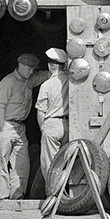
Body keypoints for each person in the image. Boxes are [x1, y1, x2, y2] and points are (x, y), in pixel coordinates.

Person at [0, 53, 48, 200]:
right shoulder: (8, 82)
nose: (32, 72)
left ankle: (16, 198)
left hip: (19, 127)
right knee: (2, 164)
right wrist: (4, 130)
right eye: (30, 69)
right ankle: (2, 200)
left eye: (33, 70)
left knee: (22, 165)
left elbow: (46, 75)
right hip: (5, 124)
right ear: (21, 66)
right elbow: (0, 107)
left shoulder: (28, 81)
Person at [35, 48, 70, 183]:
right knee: (66, 161)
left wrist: (43, 128)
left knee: (49, 164)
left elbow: (41, 111)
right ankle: (66, 193)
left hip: (52, 125)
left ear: (50, 66)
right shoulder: (70, 81)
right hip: (67, 125)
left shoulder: (46, 85)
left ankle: (53, 193)